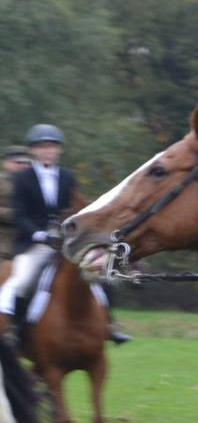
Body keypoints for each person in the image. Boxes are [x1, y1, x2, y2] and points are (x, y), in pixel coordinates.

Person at [0, 125, 131, 346]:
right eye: (42, 147)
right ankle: (15, 328)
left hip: (66, 241)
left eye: (52, 147)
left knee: (100, 270)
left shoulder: (68, 177)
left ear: (59, 149)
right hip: (34, 243)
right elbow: (20, 215)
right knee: (21, 281)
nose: (48, 151)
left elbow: (76, 209)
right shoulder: (22, 178)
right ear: (34, 150)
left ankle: (110, 324)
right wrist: (39, 235)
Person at [0, 146, 33, 259]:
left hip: (29, 245)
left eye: (27, 163)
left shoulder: (35, 184)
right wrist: (17, 214)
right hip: (4, 244)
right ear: (6, 163)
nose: (24, 166)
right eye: (18, 162)